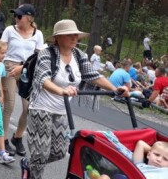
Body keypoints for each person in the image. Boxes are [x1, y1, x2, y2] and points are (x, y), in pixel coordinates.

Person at [22, 19, 129, 179]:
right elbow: (43, 80)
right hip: (41, 108)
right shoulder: (46, 54)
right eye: (69, 35)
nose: (74, 38)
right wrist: (61, 90)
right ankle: (33, 172)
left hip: (62, 110)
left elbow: (94, 76)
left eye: (76, 35)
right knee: (41, 153)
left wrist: (115, 89)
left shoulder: (79, 55)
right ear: (57, 38)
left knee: (59, 152)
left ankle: (29, 164)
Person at [1, 4, 44, 156]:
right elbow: (1, 52)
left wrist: (25, 67)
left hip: (27, 69)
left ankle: (17, 137)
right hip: (9, 67)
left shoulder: (38, 34)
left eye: (19, 16)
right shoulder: (9, 30)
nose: (16, 18)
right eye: (15, 15)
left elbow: (38, 57)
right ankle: (3, 141)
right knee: (10, 105)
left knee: (29, 107)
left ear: (29, 18)